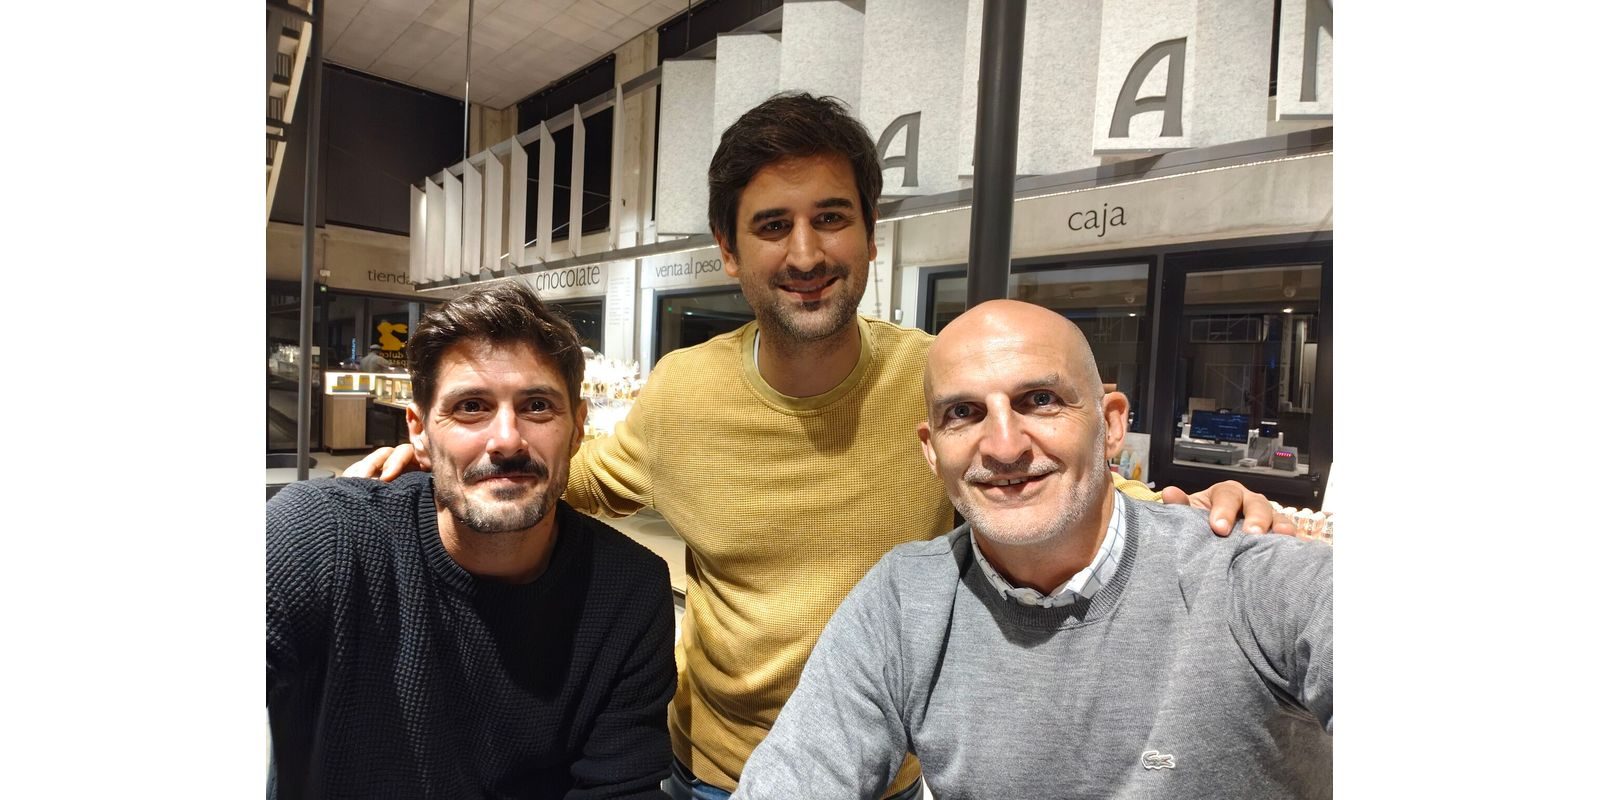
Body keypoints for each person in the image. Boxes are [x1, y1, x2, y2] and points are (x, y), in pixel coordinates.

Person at [344, 92, 1285, 799]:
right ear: (729, 252)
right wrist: (434, 463)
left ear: (871, 238)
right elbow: (562, 480)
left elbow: (1057, 485)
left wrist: (1208, 510)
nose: (805, 253)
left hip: (889, 771)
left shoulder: (939, 386)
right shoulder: (683, 393)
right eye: (773, 226)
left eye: (831, 217)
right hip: (708, 772)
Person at [732, 300, 1332, 800]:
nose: (1003, 446)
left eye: (1040, 400)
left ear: (1111, 424)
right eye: (964, 413)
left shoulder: (1247, 577)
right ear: (932, 450)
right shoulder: (906, 603)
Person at [267, 282, 676, 799]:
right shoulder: (321, 536)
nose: (506, 440)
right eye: (471, 406)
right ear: (419, 430)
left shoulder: (629, 590)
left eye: (537, 406)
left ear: (577, 430)